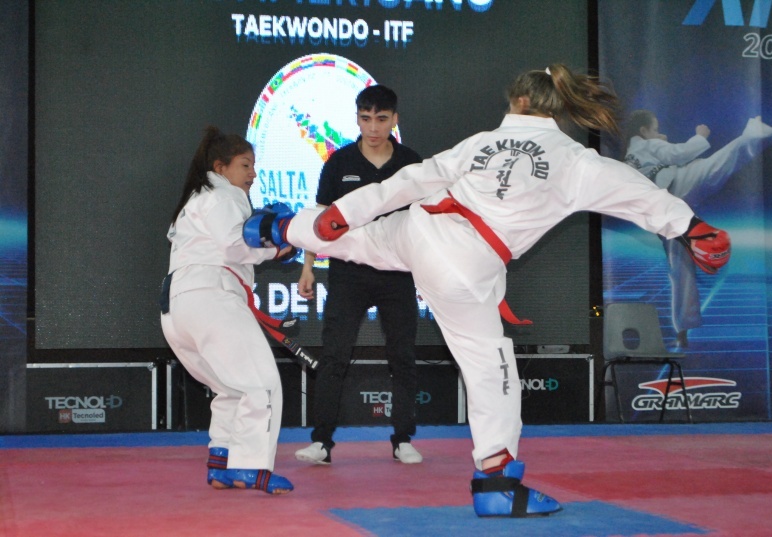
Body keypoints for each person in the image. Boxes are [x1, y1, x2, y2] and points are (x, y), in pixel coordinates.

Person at [246, 64, 731, 518]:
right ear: (555, 105)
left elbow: (414, 178)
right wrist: (692, 226)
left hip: (420, 228)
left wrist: (341, 214)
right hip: (463, 263)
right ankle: (496, 482)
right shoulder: (573, 159)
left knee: (358, 240)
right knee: (488, 364)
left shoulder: (482, 142)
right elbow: (633, 190)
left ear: (518, 100)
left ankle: (278, 226)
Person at [160, 126, 295, 495]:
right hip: (211, 297)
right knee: (262, 385)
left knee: (230, 388)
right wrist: (278, 248)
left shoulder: (196, 199)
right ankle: (251, 468)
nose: (253, 174)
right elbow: (236, 245)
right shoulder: (224, 195)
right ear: (220, 167)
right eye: (245, 165)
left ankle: (221, 463)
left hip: (178, 309)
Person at [294, 85, 424, 466]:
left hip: (397, 273)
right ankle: (321, 443)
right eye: (366, 118)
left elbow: (428, 222)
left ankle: (403, 439)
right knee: (334, 355)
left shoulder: (411, 163)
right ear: (357, 118)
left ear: (395, 120)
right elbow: (318, 219)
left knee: (402, 356)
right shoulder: (339, 162)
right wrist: (307, 266)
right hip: (348, 274)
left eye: (381, 119)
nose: (373, 127)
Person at [624, 110, 772, 347]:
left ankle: (682, 330)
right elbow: (679, 153)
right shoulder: (647, 145)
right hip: (677, 188)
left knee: (679, 267)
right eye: (655, 129)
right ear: (643, 131)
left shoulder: (631, 157)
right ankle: (762, 132)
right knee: (725, 158)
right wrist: (699, 135)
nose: (659, 133)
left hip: (664, 212)